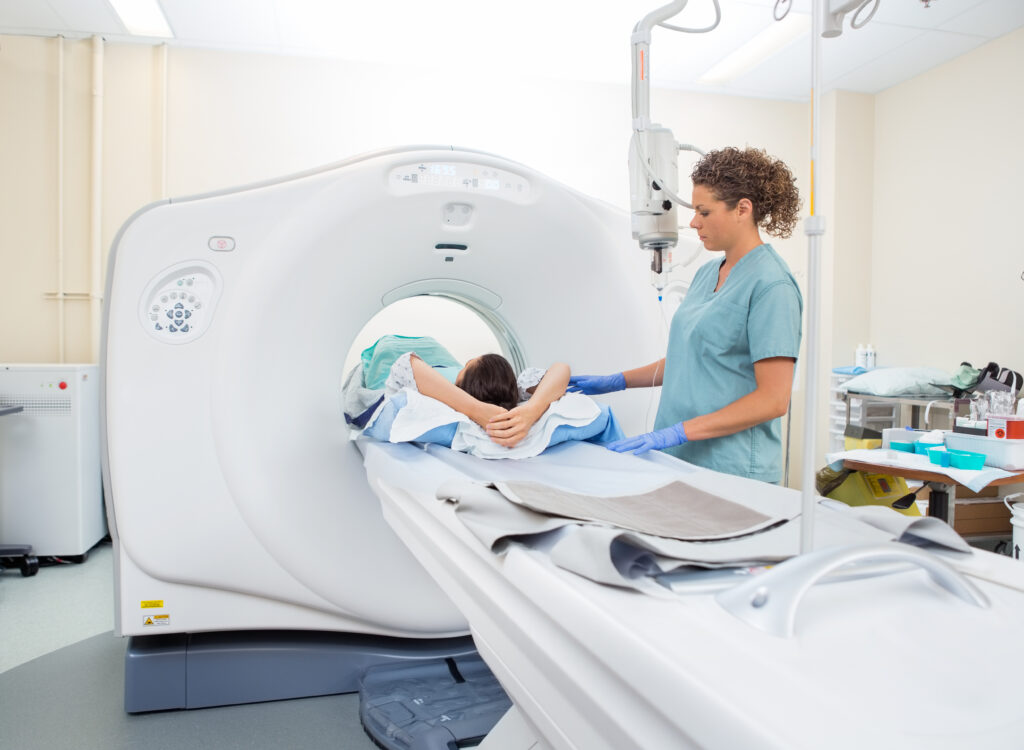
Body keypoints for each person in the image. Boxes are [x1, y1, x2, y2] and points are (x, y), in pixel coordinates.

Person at [570, 146, 803, 483]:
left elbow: (772, 400)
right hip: (679, 458)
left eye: (703, 212)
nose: (693, 223)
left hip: (731, 469)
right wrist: (617, 381)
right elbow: (689, 359)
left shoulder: (772, 286)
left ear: (742, 209)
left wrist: (678, 432)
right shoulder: (708, 273)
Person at [392, 350, 571, 449]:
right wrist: (477, 409)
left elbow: (561, 369)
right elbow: (406, 363)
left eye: (467, 365)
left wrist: (531, 411)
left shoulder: (520, 390)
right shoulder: (448, 396)